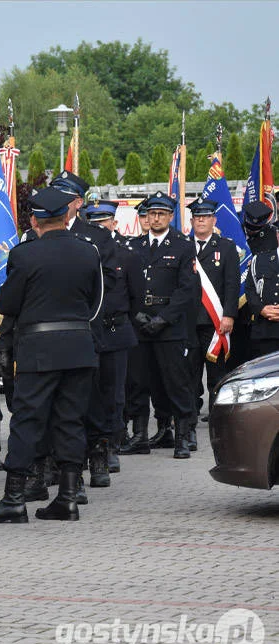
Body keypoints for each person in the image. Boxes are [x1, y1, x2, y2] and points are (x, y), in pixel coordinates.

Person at [0, 185, 102, 524]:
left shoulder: (24, 254)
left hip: (38, 349)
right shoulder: (89, 252)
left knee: (28, 421)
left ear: (34, 220)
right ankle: (68, 498)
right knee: (71, 421)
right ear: (66, 216)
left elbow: (8, 304)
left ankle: (14, 498)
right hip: (79, 347)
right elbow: (95, 303)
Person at [124, 192, 197, 459]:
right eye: (151, 213)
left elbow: (186, 290)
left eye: (161, 214)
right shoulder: (135, 246)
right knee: (138, 383)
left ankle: (182, 437)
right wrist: (137, 315)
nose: (155, 218)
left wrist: (163, 318)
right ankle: (140, 436)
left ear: (170, 216)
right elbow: (127, 286)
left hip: (169, 327)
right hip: (140, 325)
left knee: (175, 382)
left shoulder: (182, 246)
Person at [83, 200, 144, 481]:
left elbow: (136, 298)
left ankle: (110, 447)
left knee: (114, 396)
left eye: (104, 222)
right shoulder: (81, 253)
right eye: (94, 223)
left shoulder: (127, 256)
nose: (100, 227)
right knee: (88, 393)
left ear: (114, 224)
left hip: (115, 331)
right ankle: (88, 447)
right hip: (87, 334)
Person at [187, 197, 239, 424]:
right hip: (188, 320)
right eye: (197, 217)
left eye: (205, 217)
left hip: (215, 321)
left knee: (216, 371)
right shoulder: (183, 246)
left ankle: (216, 412)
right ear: (191, 220)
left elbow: (232, 284)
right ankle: (189, 411)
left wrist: (228, 315)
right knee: (189, 370)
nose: (201, 221)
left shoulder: (225, 247)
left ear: (213, 220)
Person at [229, 201, 277, 370]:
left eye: (257, 229)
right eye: (249, 227)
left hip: (263, 314)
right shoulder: (232, 232)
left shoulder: (272, 237)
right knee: (235, 361)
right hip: (236, 308)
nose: (252, 231)